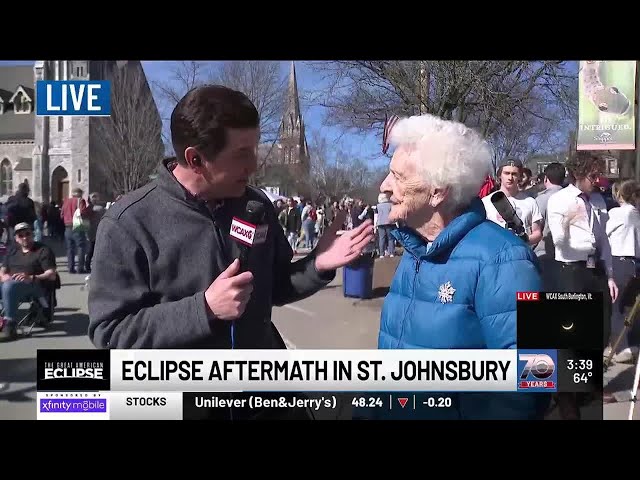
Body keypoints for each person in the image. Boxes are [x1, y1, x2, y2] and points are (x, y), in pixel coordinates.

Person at [87, 85, 374, 419]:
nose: (254, 165)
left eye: (254, 150)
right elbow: (110, 332)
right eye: (241, 154)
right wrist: (204, 309)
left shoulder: (255, 206)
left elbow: (277, 286)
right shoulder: (128, 223)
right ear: (195, 159)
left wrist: (319, 263)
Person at [375, 113, 548, 420]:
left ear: (438, 191)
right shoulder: (414, 250)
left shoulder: (506, 259)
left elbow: (533, 378)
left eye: (399, 177)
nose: (385, 187)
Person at [0, 222, 57, 341]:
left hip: (34, 286)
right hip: (11, 284)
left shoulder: (42, 250)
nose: (25, 237)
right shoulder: (12, 250)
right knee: (8, 285)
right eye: (21, 235)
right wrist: (4, 276)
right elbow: (3, 270)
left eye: (27, 234)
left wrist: (31, 277)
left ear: (33, 234)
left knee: (9, 287)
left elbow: (51, 274)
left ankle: (10, 325)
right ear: (16, 238)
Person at [606, 179, 640, 364]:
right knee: (628, 307)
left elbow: (604, 234)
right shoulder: (636, 214)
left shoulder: (617, 213)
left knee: (616, 307)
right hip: (635, 264)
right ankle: (627, 344)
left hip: (619, 260)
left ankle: (620, 348)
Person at [482, 158, 543, 248]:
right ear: (500, 175)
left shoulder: (530, 202)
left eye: (514, 174)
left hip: (521, 253)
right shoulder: (486, 202)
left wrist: (523, 241)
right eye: (506, 173)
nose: (510, 178)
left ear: (519, 176)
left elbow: (537, 232)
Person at [60, 188, 90, 274]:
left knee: (70, 248)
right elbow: (83, 212)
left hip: (67, 226)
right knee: (81, 247)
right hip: (77, 225)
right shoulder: (80, 201)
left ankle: (70, 267)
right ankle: (80, 268)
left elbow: (61, 214)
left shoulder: (66, 201)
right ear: (79, 193)